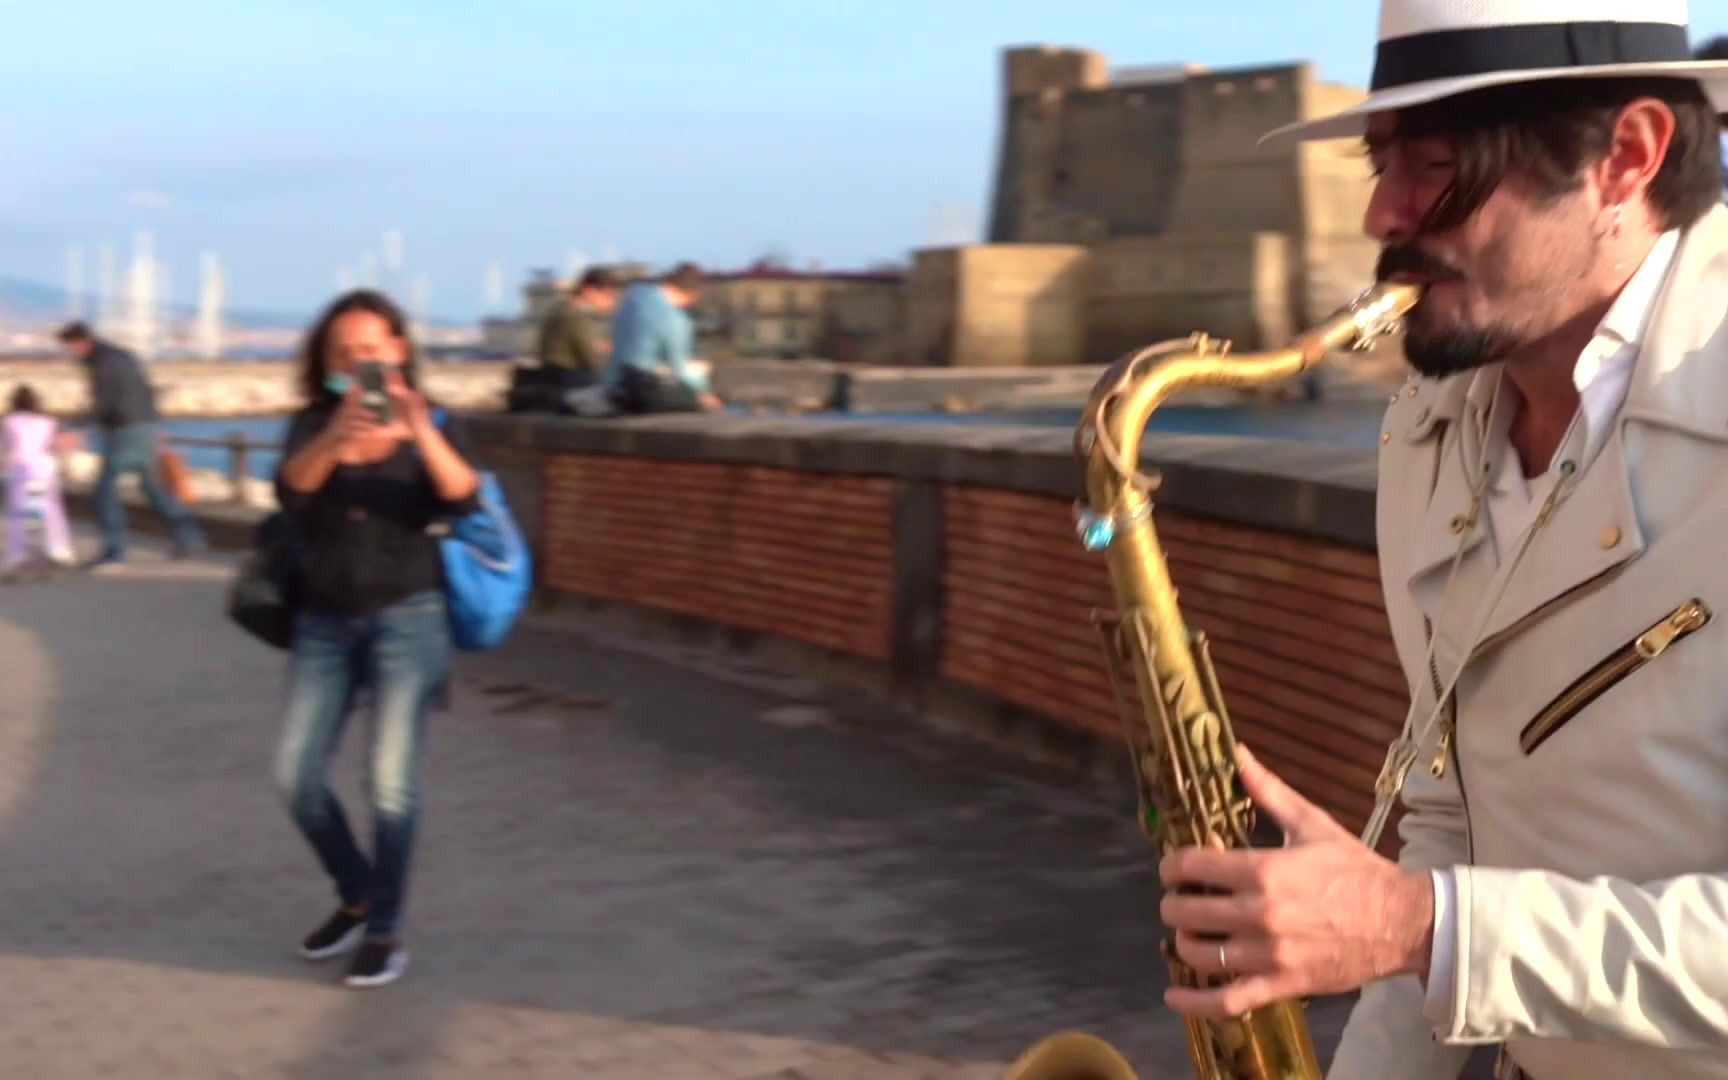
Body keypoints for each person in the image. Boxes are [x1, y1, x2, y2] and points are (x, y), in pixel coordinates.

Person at [1152, 4, 1728, 1080]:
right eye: (1381, 162)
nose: (1383, 213)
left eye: (1438, 166)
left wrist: (1429, 931)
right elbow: (1450, 826)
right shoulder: (1429, 429)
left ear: (1627, 159)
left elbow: (1428, 915)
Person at [272, 289, 481, 989]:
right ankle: (358, 892)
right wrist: (335, 434)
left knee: (390, 783)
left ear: (398, 349)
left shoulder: (437, 420)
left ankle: (384, 930)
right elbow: (292, 491)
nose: (360, 361)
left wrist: (420, 431)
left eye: (372, 347)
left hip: (408, 616)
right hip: (323, 619)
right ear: (326, 362)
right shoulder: (312, 421)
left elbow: (464, 495)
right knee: (294, 776)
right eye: (345, 351)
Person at [56, 321, 205, 569]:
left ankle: (115, 553)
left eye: (69, 348)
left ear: (78, 343)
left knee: (105, 492)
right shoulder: (123, 356)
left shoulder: (102, 363)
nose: (70, 354)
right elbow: (146, 392)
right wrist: (155, 426)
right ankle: (189, 537)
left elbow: (104, 402)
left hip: (124, 431)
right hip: (144, 427)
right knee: (153, 488)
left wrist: (78, 428)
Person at [600, 261, 723, 414]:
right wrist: (703, 394)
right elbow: (679, 369)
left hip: (614, 386)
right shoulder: (675, 319)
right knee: (699, 375)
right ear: (693, 295)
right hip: (642, 393)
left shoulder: (634, 297)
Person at [1, 385, 74, 578]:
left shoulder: (9, 422)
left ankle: (19, 553)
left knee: (20, 514)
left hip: (21, 470)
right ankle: (59, 549)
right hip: (44, 469)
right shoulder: (48, 421)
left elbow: (7, 448)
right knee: (51, 511)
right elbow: (55, 446)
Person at [535, 266, 620, 373]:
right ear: (590, 290)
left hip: (553, 376)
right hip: (569, 380)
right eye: (608, 296)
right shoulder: (576, 316)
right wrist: (608, 352)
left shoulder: (561, 308)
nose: (612, 304)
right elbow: (594, 362)